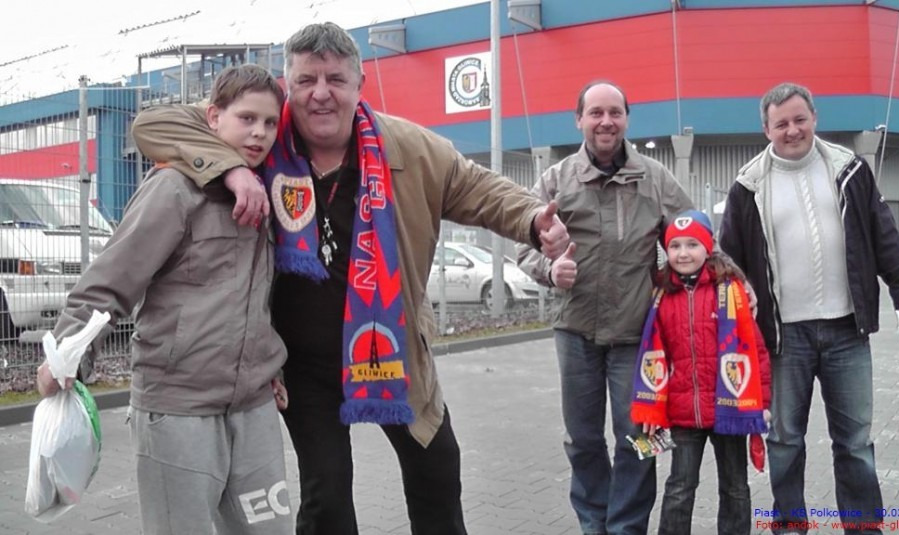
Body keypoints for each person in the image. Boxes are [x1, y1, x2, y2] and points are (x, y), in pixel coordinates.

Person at [131, 22, 569, 535]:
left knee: (436, 472)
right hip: (303, 366)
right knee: (328, 497)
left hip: (391, 349)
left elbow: (479, 188)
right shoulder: (262, 140)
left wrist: (533, 219)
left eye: (335, 79)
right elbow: (154, 124)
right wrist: (230, 167)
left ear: (360, 84)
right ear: (288, 86)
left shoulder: (408, 148)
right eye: (306, 80)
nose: (321, 93)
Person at [36, 65, 292, 534]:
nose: (259, 132)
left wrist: (267, 362)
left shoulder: (265, 193)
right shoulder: (174, 189)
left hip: (253, 408)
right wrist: (68, 351)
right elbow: (112, 278)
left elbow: (258, 297)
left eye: (270, 122)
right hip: (178, 409)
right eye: (247, 118)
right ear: (213, 117)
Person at [719, 82, 899, 534]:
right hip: (782, 337)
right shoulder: (748, 185)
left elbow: (883, 233)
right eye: (781, 124)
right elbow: (729, 261)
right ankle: (790, 524)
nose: (792, 130)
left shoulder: (850, 169)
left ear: (814, 118)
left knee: (855, 442)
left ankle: (863, 525)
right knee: (784, 440)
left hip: (846, 330)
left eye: (800, 119)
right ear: (766, 129)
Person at [517, 80, 693, 535]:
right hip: (575, 332)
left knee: (642, 436)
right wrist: (549, 269)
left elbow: (692, 239)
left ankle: (627, 527)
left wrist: (727, 281)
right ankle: (595, 524)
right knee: (582, 439)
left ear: (627, 119)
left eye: (615, 112)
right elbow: (522, 243)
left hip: (637, 336)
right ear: (579, 119)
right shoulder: (556, 181)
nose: (606, 121)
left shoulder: (655, 179)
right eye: (595, 112)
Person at [630, 209, 771, 535]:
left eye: (692, 245)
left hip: (729, 408)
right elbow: (652, 355)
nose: (683, 253)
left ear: (708, 247)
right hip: (682, 413)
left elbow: (756, 351)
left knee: (735, 487)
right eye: (675, 246)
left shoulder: (730, 290)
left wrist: (763, 403)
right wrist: (652, 406)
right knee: (680, 487)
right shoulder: (661, 295)